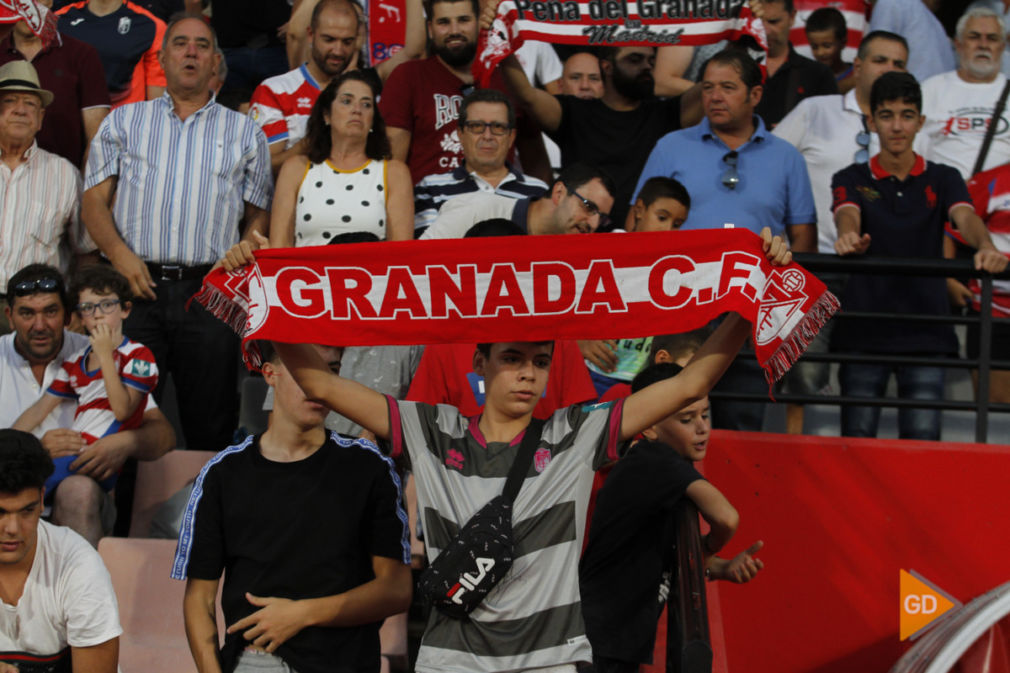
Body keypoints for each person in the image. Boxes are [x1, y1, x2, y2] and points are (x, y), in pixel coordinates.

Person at [265, 228, 791, 673]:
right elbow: (318, 380)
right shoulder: (431, 427)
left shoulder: (575, 433)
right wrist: (263, 292)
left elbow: (690, 380)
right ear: (480, 363)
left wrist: (751, 299)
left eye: (540, 362)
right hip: (451, 663)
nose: (528, 374)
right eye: (513, 358)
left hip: (550, 662)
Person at [82, 14, 272, 452]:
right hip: (134, 289)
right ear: (162, 59)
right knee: (124, 418)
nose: (190, 52)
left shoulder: (245, 132)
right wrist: (118, 255)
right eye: (181, 44)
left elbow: (259, 211)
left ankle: (207, 516)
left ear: (217, 63)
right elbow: (92, 202)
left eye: (201, 45)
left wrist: (247, 243)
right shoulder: (123, 122)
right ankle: (124, 522)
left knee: (210, 419)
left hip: (209, 293)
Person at [172, 341, 412, 673]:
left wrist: (301, 614)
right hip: (254, 662)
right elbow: (199, 599)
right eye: (305, 369)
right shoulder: (223, 474)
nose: (318, 384)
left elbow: (397, 590)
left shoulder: (367, 466)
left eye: (331, 371)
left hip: (344, 661)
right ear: (270, 373)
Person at [830, 71, 1008, 439]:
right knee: (855, 452)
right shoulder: (850, 176)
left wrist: (986, 245)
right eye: (887, 115)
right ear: (871, 121)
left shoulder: (944, 177)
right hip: (864, 333)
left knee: (923, 450)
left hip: (927, 334)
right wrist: (848, 235)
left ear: (921, 122)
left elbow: (965, 216)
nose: (897, 126)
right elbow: (847, 212)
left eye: (907, 115)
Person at [580, 363, 764, 673]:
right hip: (597, 643)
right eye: (686, 419)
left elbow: (655, 553)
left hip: (606, 640)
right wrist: (709, 547)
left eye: (705, 415)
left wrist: (717, 568)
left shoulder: (660, 463)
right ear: (649, 424)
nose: (702, 427)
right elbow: (727, 518)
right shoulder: (655, 460)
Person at [772, 30, 913, 432]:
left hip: (884, 274)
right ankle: (795, 464)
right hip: (818, 264)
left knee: (865, 380)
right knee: (806, 377)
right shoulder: (817, 108)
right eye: (881, 60)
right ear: (859, 66)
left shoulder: (910, 124)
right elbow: (773, 163)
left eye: (899, 63)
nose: (889, 69)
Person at [0, 264, 174, 545]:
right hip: (10, 491)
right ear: (10, 316)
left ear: (69, 317)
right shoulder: (75, 363)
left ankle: (86, 586)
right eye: (27, 313)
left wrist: (124, 443)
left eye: (50, 312)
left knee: (77, 489)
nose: (40, 325)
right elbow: (40, 409)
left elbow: (164, 436)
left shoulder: (112, 352)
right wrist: (33, 451)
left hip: (80, 490)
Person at [498, 42, 688, 228]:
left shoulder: (664, 113)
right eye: (635, 59)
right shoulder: (573, 112)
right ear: (607, 67)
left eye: (651, 61)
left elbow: (712, 87)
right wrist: (499, 41)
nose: (646, 66)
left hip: (638, 246)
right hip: (581, 237)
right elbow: (526, 96)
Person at [13, 265, 156, 501]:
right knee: (18, 477)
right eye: (88, 308)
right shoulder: (74, 361)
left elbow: (122, 411)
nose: (98, 314)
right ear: (79, 317)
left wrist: (106, 356)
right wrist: (9, 447)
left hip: (97, 457)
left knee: (23, 486)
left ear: (125, 309)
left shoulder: (138, 356)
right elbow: (40, 409)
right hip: (73, 452)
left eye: (107, 305)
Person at [378, 0, 551, 185]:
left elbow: (537, 163)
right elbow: (391, 164)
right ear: (430, 29)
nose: (454, 31)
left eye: (463, 20)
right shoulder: (408, 76)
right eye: (443, 22)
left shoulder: (508, 80)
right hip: (429, 206)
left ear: (479, 24)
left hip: (499, 205)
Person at [0, 429, 121, 673]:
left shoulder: (78, 565)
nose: (12, 529)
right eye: (0, 513)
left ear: (43, 498)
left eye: (26, 511)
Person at [250, 0, 412, 174]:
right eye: (329, 39)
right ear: (311, 35)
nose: (338, 50)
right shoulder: (275, 90)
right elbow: (263, 170)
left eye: (347, 42)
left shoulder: (370, 95)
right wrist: (314, 140)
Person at [0, 61, 92, 334]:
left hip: (38, 313)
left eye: (30, 103)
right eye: (9, 100)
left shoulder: (64, 174)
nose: (20, 109)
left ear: (40, 118)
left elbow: (86, 253)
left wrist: (77, 308)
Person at [270, 70, 412, 246]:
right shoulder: (296, 168)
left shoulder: (394, 172)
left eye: (367, 105)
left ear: (373, 119)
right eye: (347, 101)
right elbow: (279, 248)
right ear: (326, 115)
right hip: (306, 273)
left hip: (372, 272)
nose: (357, 110)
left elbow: (401, 253)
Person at [583, 177, 691, 397]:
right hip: (588, 372)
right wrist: (576, 341)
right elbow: (565, 302)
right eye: (661, 218)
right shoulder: (602, 249)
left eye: (677, 225)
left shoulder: (673, 270)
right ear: (640, 210)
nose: (668, 230)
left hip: (636, 383)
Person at [413, 89, 548, 235]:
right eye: (477, 126)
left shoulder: (538, 191)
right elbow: (428, 251)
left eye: (498, 127)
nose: (487, 136)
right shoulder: (430, 189)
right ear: (460, 134)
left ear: (511, 137)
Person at [0, 0, 109, 167]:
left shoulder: (82, 55)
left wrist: (81, 187)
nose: (28, 7)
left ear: (50, 2)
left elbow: (97, 138)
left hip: (61, 184)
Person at [921, 7, 1010, 181]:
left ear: (1002, 47)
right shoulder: (930, 90)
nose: (983, 45)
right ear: (958, 44)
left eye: (992, 38)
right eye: (974, 37)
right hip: (943, 201)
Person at [422, 162, 614, 239]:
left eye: (602, 218)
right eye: (588, 207)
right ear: (559, 193)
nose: (594, 224)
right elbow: (414, 270)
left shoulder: (577, 256)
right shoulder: (477, 212)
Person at [55, 0, 167, 108]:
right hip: (71, 119)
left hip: (125, 122)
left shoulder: (151, 26)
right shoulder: (57, 21)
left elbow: (157, 100)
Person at [755, 0, 838, 127]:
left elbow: (831, 127)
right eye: (758, 22)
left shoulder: (819, 75)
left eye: (774, 22)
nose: (766, 30)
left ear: (792, 17)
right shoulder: (735, 70)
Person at [866, 0, 955, 82]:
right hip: (924, 93)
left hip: (907, 93)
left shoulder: (893, 2)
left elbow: (878, 55)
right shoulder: (935, 23)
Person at [805, 7, 855, 93]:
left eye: (827, 46)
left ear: (843, 43)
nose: (820, 53)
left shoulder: (856, 74)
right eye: (814, 47)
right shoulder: (807, 78)